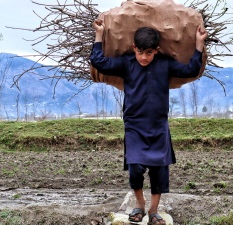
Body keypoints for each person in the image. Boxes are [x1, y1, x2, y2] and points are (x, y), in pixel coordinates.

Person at [90, 18, 208, 225]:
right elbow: (99, 62)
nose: (144, 57)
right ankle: (139, 204)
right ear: (134, 48)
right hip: (134, 125)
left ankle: (154, 210)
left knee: (159, 170)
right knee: (135, 167)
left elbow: (191, 69)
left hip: (158, 125)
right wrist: (99, 34)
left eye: (149, 53)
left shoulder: (165, 65)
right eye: (140, 52)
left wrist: (199, 43)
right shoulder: (126, 63)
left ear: (157, 50)